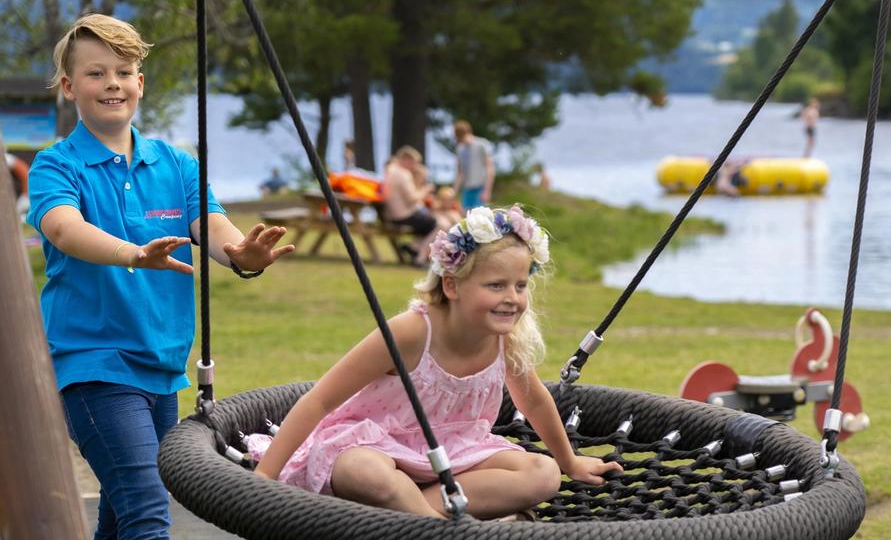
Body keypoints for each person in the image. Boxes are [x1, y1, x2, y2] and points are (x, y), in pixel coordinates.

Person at [26, 14, 296, 540]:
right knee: (146, 508)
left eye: (122, 73)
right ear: (69, 86)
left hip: (160, 370)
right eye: (96, 73)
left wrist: (243, 260)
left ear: (141, 84)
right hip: (92, 367)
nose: (111, 84)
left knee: (121, 525)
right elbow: (63, 228)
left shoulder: (175, 164)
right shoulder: (55, 165)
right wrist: (131, 253)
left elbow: (218, 229)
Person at [247, 206, 620, 518]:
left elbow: (534, 400)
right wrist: (265, 476)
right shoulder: (411, 333)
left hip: (456, 454)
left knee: (543, 474)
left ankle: (419, 517)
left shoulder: (504, 339)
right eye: (496, 285)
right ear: (452, 286)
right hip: (379, 447)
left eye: (520, 285)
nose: (512, 298)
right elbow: (321, 399)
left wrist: (569, 461)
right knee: (363, 470)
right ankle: (444, 531)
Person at [382, 146, 438, 266]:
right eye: (415, 163)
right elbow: (412, 199)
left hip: (391, 215)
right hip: (403, 216)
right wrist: (425, 190)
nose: (415, 167)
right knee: (436, 224)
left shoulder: (391, 170)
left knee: (428, 224)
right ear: (407, 159)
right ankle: (419, 257)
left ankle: (413, 247)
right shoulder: (403, 174)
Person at [452, 120, 494, 212]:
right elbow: (460, 173)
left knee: (479, 216)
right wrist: (453, 192)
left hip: (480, 187)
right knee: (466, 215)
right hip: (467, 189)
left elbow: (490, 168)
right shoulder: (460, 149)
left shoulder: (482, 144)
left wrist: (487, 190)